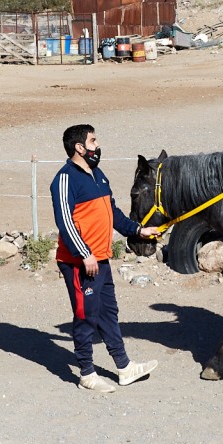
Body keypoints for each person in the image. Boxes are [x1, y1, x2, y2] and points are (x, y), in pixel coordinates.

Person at [52, 124, 161, 392]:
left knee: (108, 313)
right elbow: (65, 223)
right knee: (86, 315)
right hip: (80, 262)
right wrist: (85, 254)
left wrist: (138, 230)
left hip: (100, 258)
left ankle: (124, 367)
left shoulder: (98, 174)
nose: (97, 145)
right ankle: (87, 374)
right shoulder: (64, 179)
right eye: (93, 141)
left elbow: (113, 213)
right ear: (79, 147)